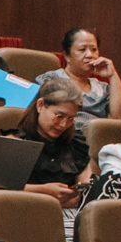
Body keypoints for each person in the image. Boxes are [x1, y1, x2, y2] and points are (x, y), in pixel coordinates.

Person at [10, 75, 91, 223]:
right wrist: (43, 191)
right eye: (59, 116)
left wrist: (78, 193)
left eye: (71, 119)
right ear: (40, 105)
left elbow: (86, 182)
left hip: (71, 215)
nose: (63, 125)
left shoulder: (76, 143)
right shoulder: (15, 142)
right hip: (24, 214)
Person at [36, 27, 121, 121]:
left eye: (94, 49)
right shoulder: (50, 80)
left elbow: (119, 119)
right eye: (82, 49)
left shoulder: (104, 89)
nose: (90, 55)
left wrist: (112, 75)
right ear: (67, 56)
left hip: (96, 131)